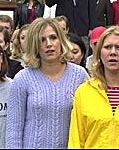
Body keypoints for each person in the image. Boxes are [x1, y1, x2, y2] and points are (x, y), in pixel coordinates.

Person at [5, 18, 89, 148]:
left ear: (61, 40)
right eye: (41, 40)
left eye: (53, 38)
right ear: (34, 45)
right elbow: (13, 130)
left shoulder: (80, 76)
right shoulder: (22, 79)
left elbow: (88, 123)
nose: (48, 44)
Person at [68, 25, 119, 148]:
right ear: (99, 53)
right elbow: (76, 139)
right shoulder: (84, 92)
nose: (113, 52)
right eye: (107, 47)